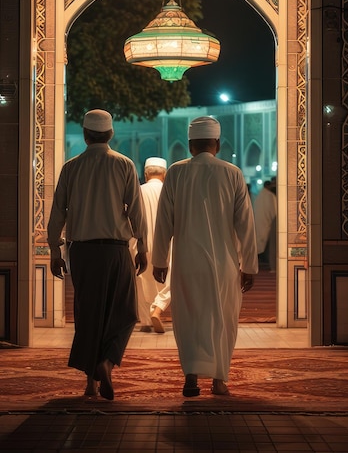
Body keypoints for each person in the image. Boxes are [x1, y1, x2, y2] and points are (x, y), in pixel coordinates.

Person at [152, 116, 258, 397]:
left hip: (186, 262)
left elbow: (164, 221)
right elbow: (245, 224)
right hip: (224, 264)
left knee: (188, 319)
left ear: (190, 145)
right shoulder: (232, 172)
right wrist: (249, 265)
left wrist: (159, 260)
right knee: (223, 320)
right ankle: (219, 380)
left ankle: (190, 377)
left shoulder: (175, 172)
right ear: (218, 144)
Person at [47, 109, 147, 401]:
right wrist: (142, 246)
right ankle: (107, 362)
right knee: (125, 312)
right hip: (116, 251)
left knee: (88, 315)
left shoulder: (71, 167)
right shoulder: (124, 165)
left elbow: (57, 213)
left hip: (82, 253)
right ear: (111, 134)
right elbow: (136, 211)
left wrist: (55, 250)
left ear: (85, 135)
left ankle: (91, 384)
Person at [131, 157, 171, 334]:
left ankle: (146, 322)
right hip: (166, 242)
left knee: (142, 279)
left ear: (146, 174)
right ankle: (158, 307)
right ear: (164, 174)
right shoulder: (169, 191)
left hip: (141, 243)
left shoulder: (138, 191)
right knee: (170, 279)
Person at [253, 179, 277, 270]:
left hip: (262, 224)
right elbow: (274, 213)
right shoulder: (269, 196)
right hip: (269, 224)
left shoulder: (260, 196)